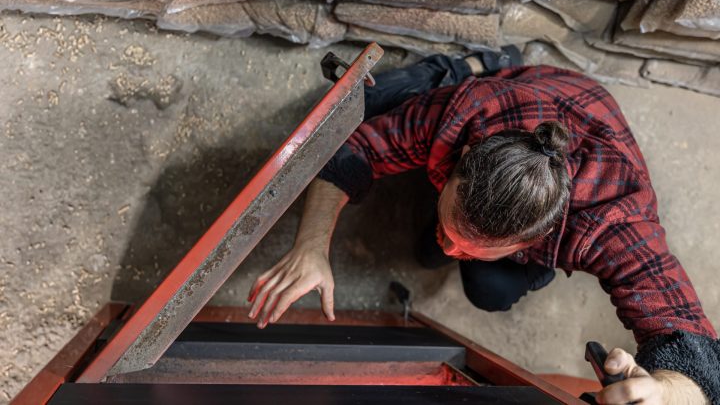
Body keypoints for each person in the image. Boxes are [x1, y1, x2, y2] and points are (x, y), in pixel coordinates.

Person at [247, 49, 719, 404]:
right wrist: (310, 246)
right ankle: (477, 63)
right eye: (452, 229)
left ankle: (488, 250)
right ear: (464, 159)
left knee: (490, 291)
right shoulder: (467, 113)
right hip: (538, 88)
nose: (452, 249)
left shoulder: (614, 220)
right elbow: (357, 148)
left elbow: (695, 348)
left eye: (469, 245)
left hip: (589, 125)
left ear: (534, 240)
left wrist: (669, 392)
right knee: (372, 101)